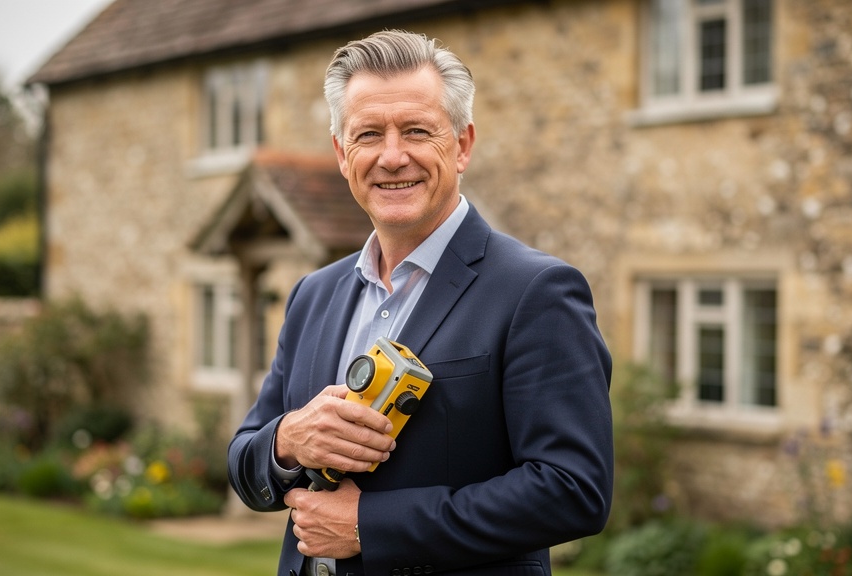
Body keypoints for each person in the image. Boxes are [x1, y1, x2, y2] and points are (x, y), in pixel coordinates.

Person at [227, 29, 613, 576]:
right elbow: (245, 460)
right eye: (367, 134)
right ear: (342, 154)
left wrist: (370, 526)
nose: (391, 156)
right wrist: (288, 440)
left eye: (416, 130)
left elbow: (574, 489)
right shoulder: (312, 295)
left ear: (462, 145)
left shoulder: (538, 291)